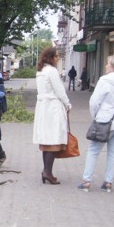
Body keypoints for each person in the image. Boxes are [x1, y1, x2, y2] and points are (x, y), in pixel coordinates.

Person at [77, 55, 114, 193]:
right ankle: (108, 183)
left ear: (112, 66)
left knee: (93, 150)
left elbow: (94, 102)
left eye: (107, 64)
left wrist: (95, 116)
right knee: (113, 152)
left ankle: (86, 181)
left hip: (104, 119)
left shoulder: (104, 81)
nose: (106, 66)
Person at [32, 47, 72, 184]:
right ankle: (47, 172)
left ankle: (46, 171)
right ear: (51, 57)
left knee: (46, 140)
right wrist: (67, 104)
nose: (58, 58)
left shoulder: (41, 71)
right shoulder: (52, 71)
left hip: (43, 107)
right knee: (53, 140)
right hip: (53, 107)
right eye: (56, 56)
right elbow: (60, 90)